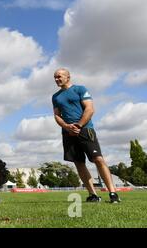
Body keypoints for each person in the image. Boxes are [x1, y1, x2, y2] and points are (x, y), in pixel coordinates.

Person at [52, 68, 121, 203]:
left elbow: (90, 109)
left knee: (98, 159)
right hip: (68, 132)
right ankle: (93, 195)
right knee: (79, 163)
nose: (56, 79)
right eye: (55, 77)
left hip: (85, 129)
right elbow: (56, 115)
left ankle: (113, 193)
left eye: (59, 77)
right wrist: (67, 127)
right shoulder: (55, 96)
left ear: (68, 77)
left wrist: (78, 125)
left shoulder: (80, 89)